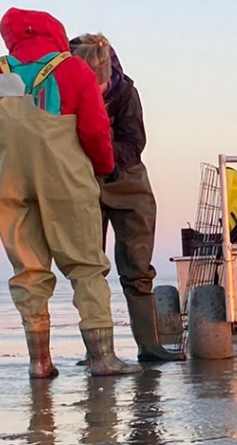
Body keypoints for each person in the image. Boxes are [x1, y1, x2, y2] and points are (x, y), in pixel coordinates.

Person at [0, 8, 136, 378]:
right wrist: (105, 167)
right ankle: (103, 358)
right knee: (86, 265)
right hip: (66, 179)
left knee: (28, 270)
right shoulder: (73, 69)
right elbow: (95, 131)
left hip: (11, 181)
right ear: (54, 32)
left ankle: (39, 363)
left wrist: (14, 142)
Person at [67, 35, 180, 362]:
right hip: (84, 183)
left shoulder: (127, 92)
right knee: (90, 268)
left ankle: (150, 347)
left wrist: (107, 158)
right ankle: (98, 352)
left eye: (101, 84)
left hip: (129, 181)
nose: (99, 91)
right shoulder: (62, 93)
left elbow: (135, 141)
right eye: (91, 85)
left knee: (138, 268)